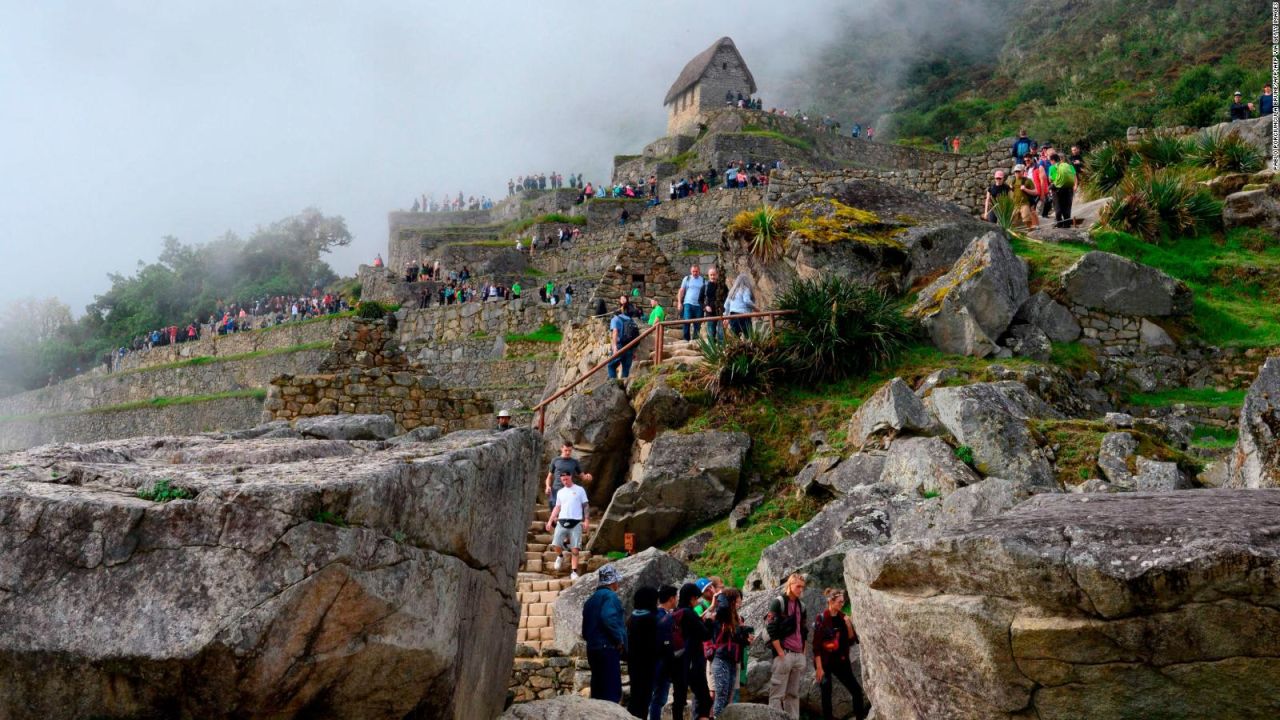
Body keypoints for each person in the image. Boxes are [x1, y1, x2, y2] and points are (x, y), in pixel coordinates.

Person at [813, 588, 867, 720]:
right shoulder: (821, 618)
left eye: (843, 602)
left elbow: (851, 640)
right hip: (825, 662)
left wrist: (848, 626)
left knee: (856, 691)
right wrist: (819, 668)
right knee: (826, 692)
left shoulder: (843, 618)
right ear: (830, 601)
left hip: (841, 661)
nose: (842, 604)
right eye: (839, 602)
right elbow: (816, 646)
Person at [583, 564, 627, 703]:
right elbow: (608, 617)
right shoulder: (610, 597)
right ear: (613, 582)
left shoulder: (590, 600)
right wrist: (619, 640)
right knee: (611, 691)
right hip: (607, 648)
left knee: (598, 689)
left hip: (592, 648)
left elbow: (585, 630)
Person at [766, 573, 808, 718]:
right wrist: (780, 652)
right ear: (790, 585)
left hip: (798, 655)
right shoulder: (778, 602)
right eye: (798, 586)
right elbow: (770, 628)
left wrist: (803, 654)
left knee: (793, 694)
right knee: (777, 694)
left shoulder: (801, 606)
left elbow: (804, 630)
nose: (800, 590)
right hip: (784, 654)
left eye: (802, 587)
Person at [671, 582, 712, 720]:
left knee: (679, 700)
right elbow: (705, 634)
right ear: (691, 598)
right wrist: (709, 621)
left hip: (678, 662)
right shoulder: (689, 613)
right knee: (705, 699)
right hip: (694, 660)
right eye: (696, 598)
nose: (697, 601)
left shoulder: (676, 612)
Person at [708, 589, 752, 717]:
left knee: (728, 697)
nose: (740, 601)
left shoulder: (735, 618)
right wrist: (721, 595)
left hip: (732, 660)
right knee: (721, 695)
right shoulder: (723, 615)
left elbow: (735, 639)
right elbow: (723, 607)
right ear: (732, 600)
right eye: (738, 598)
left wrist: (746, 639)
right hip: (721, 659)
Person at [545, 468, 590, 581]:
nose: (565, 481)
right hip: (562, 521)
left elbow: (585, 505)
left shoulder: (580, 490)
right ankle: (560, 556)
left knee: (575, 549)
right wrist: (550, 521)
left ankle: (574, 572)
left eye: (566, 478)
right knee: (556, 544)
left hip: (576, 522)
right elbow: (557, 507)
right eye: (563, 479)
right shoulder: (560, 492)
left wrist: (587, 520)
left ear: (571, 477)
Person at [627, 586, 661, 718]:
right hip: (647, 665)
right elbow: (655, 644)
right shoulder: (651, 619)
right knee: (644, 698)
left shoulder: (632, 618)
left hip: (633, 663)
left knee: (635, 696)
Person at [648, 585, 680, 720]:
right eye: (676, 597)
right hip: (662, 662)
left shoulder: (653, 614)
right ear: (672, 599)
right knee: (659, 698)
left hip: (654, 661)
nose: (677, 600)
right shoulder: (664, 617)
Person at [608, 296, 641, 380]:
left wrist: (614, 347)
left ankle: (613, 385)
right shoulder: (630, 320)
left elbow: (615, 332)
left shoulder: (615, 319)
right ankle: (623, 386)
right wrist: (633, 351)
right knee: (625, 372)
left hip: (620, 346)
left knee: (611, 365)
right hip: (629, 347)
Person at [678, 265, 707, 341]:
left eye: (696, 271)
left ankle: (695, 341)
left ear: (699, 271)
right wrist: (679, 303)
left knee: (697, 324)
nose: (695, 273)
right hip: (688, 303)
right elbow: (681, 291)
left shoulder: (703, 280)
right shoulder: (687, 279)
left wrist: (705, 305)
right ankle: (686, 339)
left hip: (699, 305)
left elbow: (706, 294)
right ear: (691, 271)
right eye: (693, 271)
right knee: (686, 321)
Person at [724, 273, 757, 337]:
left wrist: (726, 317)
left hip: (733, 317)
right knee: (749, 337)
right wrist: (755, 308)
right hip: (744, 316)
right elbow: (747, 301)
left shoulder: (732, 291)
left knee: (735, 338)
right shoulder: (745, 289)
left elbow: (726, 305)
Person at [1048, 152, 1076, 228]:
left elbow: (1050, 179)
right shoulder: (1069, 166)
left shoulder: (1052, 167)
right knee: (1067, 207)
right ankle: (1067, 224)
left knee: (1058, 207)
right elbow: (1074, 177)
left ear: (1053, 160)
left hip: (1057, 190)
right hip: (1068, 189)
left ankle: (1059, 224)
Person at [701, 267, 728, 343]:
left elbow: (727, 299)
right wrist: (705, 307)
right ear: (708, 275)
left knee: (721, 335)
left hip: (721, 314)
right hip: (710, 315)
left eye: (714, 274)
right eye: (711, 275)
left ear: (717, 275)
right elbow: (700, 300)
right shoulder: (705, 287)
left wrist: (725, 311)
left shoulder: (723, 287)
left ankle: (721, 353)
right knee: (711, 335)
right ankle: (712, 353)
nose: (713, 276)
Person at [1010, 165, 1039, 229]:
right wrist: (1011, 188)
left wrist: (1025, 189)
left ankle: (1032, 233)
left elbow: (1035, 192)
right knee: (1012, 222)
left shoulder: (1028, 180)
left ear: (1023, 171)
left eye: (1018, 171)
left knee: (1027, 220)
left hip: (1025, 204)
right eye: (1016, 171)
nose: (1017, 173)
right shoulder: (1013, 181)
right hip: (1015, 205)